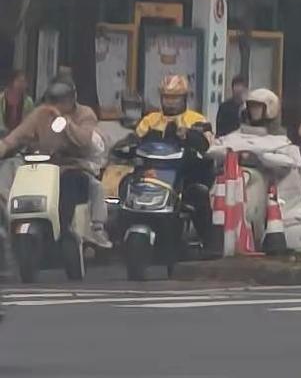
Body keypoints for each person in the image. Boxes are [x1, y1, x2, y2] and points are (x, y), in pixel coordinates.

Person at [0, 77, 111, 248]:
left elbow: (85, 140)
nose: (54, 106)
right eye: (52, 101)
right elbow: (14, 138)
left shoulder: (85, 114)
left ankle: (88, 229)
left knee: (86, 184)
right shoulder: (40, 113)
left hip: (73, 165)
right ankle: (8, 217)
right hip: (43, 166)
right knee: (9, 167)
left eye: (60, 101)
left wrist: (66, 122)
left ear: (71, 100)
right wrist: (4, 147)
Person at [211, 87, 301, 252]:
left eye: (258, 108)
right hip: (235, 182)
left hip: (273, 192)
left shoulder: (281, 139)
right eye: (251, 107)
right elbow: (217, 148)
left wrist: (259, 159)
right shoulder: (237, 135)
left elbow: (288, 163)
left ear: (270, 110)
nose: (254, 112)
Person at [136, 74, 215, 248]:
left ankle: (208, 242)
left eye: (175, 98)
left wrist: (188, 135)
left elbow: (207, 143)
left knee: (199, 193)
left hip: (183, 175)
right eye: (167, 97)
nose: (170, 102)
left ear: (185, 98)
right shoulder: (150, 120)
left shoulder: (197, 119)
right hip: (153, 174)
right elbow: (136, 140)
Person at [2, 69, 33, 134]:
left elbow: (30, 120)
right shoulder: (1, 99)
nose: (22, 84)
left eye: (24, 82)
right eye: (19, 81)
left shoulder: (28, 101)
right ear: (12, 82)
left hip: (20, 135)